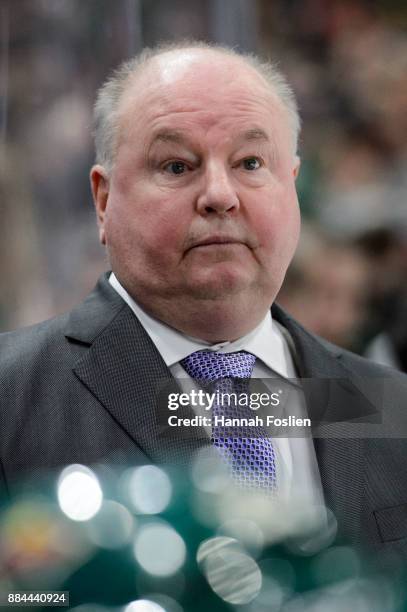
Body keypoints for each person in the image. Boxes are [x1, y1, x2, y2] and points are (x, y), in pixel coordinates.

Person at [1, 42, 407, 558]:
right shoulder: (11, 398)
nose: (220, 193)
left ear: (292, 187)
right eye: (175, 166)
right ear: (104, 202)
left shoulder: (393, 408)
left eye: (251, 162)